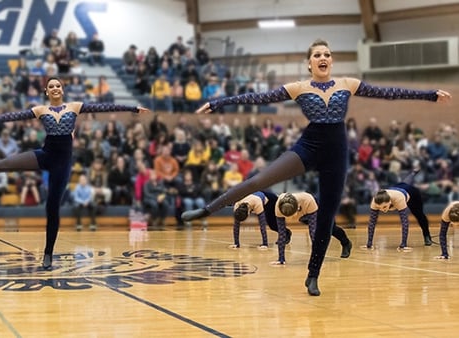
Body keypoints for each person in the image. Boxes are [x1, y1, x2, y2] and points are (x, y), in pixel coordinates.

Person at [181, 39, 451, 296]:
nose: (323, 58)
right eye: (317, 55)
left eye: (327, 54)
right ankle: (207, 210)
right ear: (309, 63)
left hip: (336, 152)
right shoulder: (298, 87)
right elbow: (257, 98)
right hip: (308, 147)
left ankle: (313, 275)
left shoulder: (348, 83)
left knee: (325, 217)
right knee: (257, 181)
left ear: (331, 61)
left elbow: (389, 93)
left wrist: (428, 95)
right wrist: (218, 103)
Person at [0, 76, 148, 270]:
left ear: (62, 90)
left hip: (62, 163)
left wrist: (133, 108)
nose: (55, 88)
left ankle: (48, 254)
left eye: (58, 85)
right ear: (47, 92)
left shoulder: (75, 107)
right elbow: (12, 116)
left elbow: (105, 107)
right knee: (5, 163)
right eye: (51, 87)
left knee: (52, 207)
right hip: (44, 155)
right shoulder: (41, 110)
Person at [272, 193, 353, 275]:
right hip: (303, 215)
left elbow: (314, 235)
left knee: (328, 228)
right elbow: (281, 234)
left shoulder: (308, 201)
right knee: (321, 230)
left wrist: (317, 262)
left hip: (313, 207)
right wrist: (281, 259)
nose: (291, 219)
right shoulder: (278, 208)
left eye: (292, 215)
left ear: (297, 208)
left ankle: (346, 243)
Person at [365, 172, 433, 251]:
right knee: (403, 183)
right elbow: (372, 222)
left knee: (419, 215)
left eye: (384, 207)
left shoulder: (398, 199)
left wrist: (403, 244)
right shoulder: (375, 201)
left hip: (412, 194)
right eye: (379, 208)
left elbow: (405, 222)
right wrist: (369, 244)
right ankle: (413, 173)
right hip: (397, 187)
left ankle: (427, 235)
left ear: (390, 201)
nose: (382, 210)